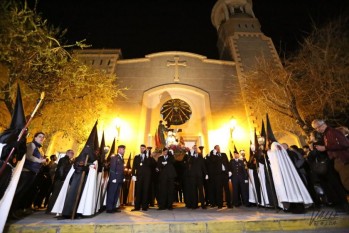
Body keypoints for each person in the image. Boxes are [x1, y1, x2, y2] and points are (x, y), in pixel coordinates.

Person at [307, 131, 349, 213]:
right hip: (331, 167)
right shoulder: (326, 142)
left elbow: (311, 158)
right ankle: (344, 204)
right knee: (337, 186)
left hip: (324, 170)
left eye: (310, 136)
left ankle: (340, 205)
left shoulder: (316, 145)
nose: (310, 137)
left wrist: (311, 151)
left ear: (314, 137)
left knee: (331, 187)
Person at [10, 132, 46, 218]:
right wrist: (39, 161)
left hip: (32, 172)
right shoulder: (31, 145)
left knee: (24, 192)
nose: (42, 138)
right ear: (35, 137)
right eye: (40, 136)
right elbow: (28, 156)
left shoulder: (39, 148)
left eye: (43, 137)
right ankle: (11, 211)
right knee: (19, 191)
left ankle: (18, 210)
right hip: (26, 171)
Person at [311, 119, 349, 191]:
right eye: (315, 128)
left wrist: (325, 147)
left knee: (347, 182)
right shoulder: (327, 134)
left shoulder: (333, 132)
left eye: (318, 127)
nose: (317, 130)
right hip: (339, 161)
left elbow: (345, 144)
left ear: (324, 124)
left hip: (344, 161)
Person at [131, 144, 155, 211]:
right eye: (141, 148)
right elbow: (134, 166)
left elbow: (151, 165)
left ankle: (145, 206)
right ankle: (137, 207)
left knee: (145, 191)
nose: (142, 149)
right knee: (138, 191)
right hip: (139, 176)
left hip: (147, 177)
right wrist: (133, 174)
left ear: (145, 149)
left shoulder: (148, 158)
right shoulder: (137, 157)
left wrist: (148, 156)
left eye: (143, 148)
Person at [183, 145, 208, 209]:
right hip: (193, 176)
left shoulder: (200, 156)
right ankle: (194, 205)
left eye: (196, 148)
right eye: (194, 149)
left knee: (201, 191)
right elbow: (189, 163)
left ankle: (203, 204)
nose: (195, 150)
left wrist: (206, 174)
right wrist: (191, 155)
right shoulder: (191, 157)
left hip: (199, 176)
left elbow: (203, 166)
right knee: (194, 191)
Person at [106, 145, 125, 213]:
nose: (124, 151)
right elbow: (112, 168)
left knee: (116, 193)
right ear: (119, 150)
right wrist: (113, 178)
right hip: (115, 179)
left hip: (119, 179)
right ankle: (109, 208)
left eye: (124, 149)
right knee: (112, 193)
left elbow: (122, 169)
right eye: (123, 149)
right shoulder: (114, 158)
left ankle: (113, 207)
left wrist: (123, 177)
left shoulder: (121, 158)